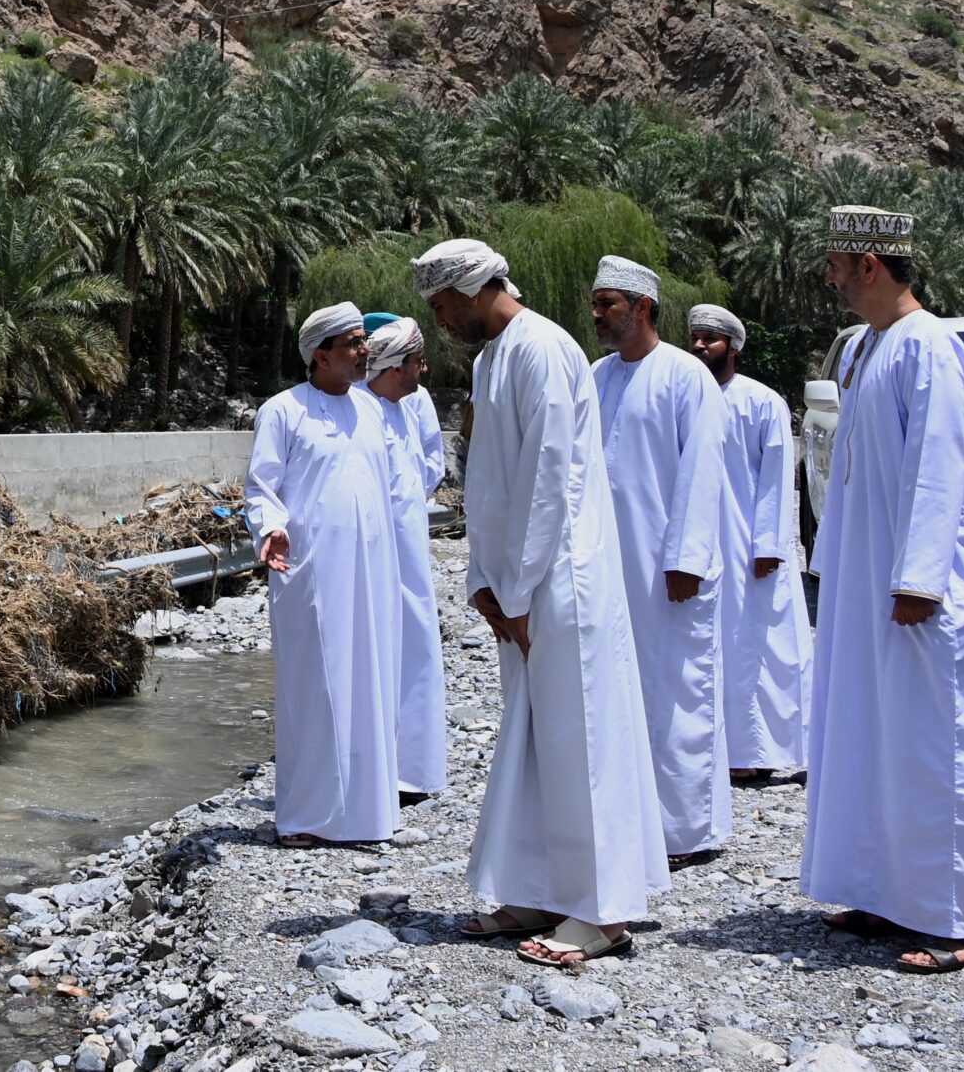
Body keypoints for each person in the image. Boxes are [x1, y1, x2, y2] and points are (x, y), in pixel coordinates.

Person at [413, 239, 665, 968]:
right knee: (532, 740)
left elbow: (550, 477)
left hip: (561, 579)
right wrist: (485, 580)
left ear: (470, 291)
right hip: (520, 586)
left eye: (442, 307)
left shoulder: (543, 348)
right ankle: (537, 888)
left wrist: (519, 588)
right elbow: (490, 481)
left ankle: (600, 912)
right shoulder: (494, 358)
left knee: (579, 740)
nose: (440, 322)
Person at [802, 205, 964, 974]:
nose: (830, 280)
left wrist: (920, 577)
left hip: (919, 591)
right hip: (869, 585)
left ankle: (963, 919)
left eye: (836, 266)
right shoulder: (865, 346)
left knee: (935, 745)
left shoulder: (930, 346)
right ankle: (883, 891)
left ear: (870, 264)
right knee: (872, 735)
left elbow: (940, 467)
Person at [244, 301, 402, 846]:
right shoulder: (283, 410)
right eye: (354, 343)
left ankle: (369, 813)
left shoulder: (371, 409)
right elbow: (261, 486)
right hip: (311, 572)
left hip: (372, 570)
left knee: (371, 679)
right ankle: (307, 817)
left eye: (363, 341)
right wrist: (271, 528)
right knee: (316, 687)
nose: (365, 351)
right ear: (320, 355)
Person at [589, 256, 731, 862]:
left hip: (667, 568)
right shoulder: (595, 375)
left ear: (643, 307)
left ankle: (684, 830)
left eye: (608, 305)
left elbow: (702, 469)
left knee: (676, 688)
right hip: (606, 562)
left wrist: (687, 559)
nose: (597, 315)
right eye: (595, 304)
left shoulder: (685, 374)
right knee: (613, 690)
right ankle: (625, 823)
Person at [685, 303, 809, 781]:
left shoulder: (761, 401)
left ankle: (759, 752)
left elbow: (776, 478)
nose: (699, 346)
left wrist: (768, 546)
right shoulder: (685, 394)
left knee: (756, 645)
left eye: (710, 339)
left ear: (732, 348)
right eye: (695, 337)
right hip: (698, 545)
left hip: (748, 547)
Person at [364, 313, 447, 802]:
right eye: (418, 360)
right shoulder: (358, 408)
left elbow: (429, 463)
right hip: (370, 553)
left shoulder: (410, 404)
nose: (424, 370)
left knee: (415, 646)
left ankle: (412, 771)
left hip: (410, 547)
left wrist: (409, 505)